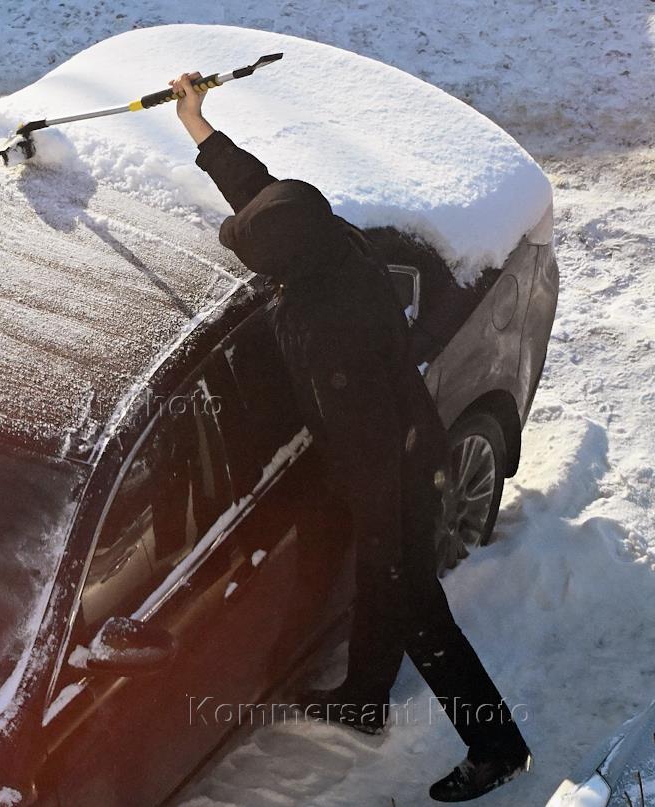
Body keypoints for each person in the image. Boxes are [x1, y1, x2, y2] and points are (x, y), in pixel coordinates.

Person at [169, 72, 532, 802]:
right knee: (382, 579)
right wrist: (199, 127)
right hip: (399, 438)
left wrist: (375, 522)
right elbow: (264, 194)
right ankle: (365, 699)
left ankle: (498, 747)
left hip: (394, 466)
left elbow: (365, 441)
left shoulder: (330, 330)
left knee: (411, 601)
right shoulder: (327, 239)